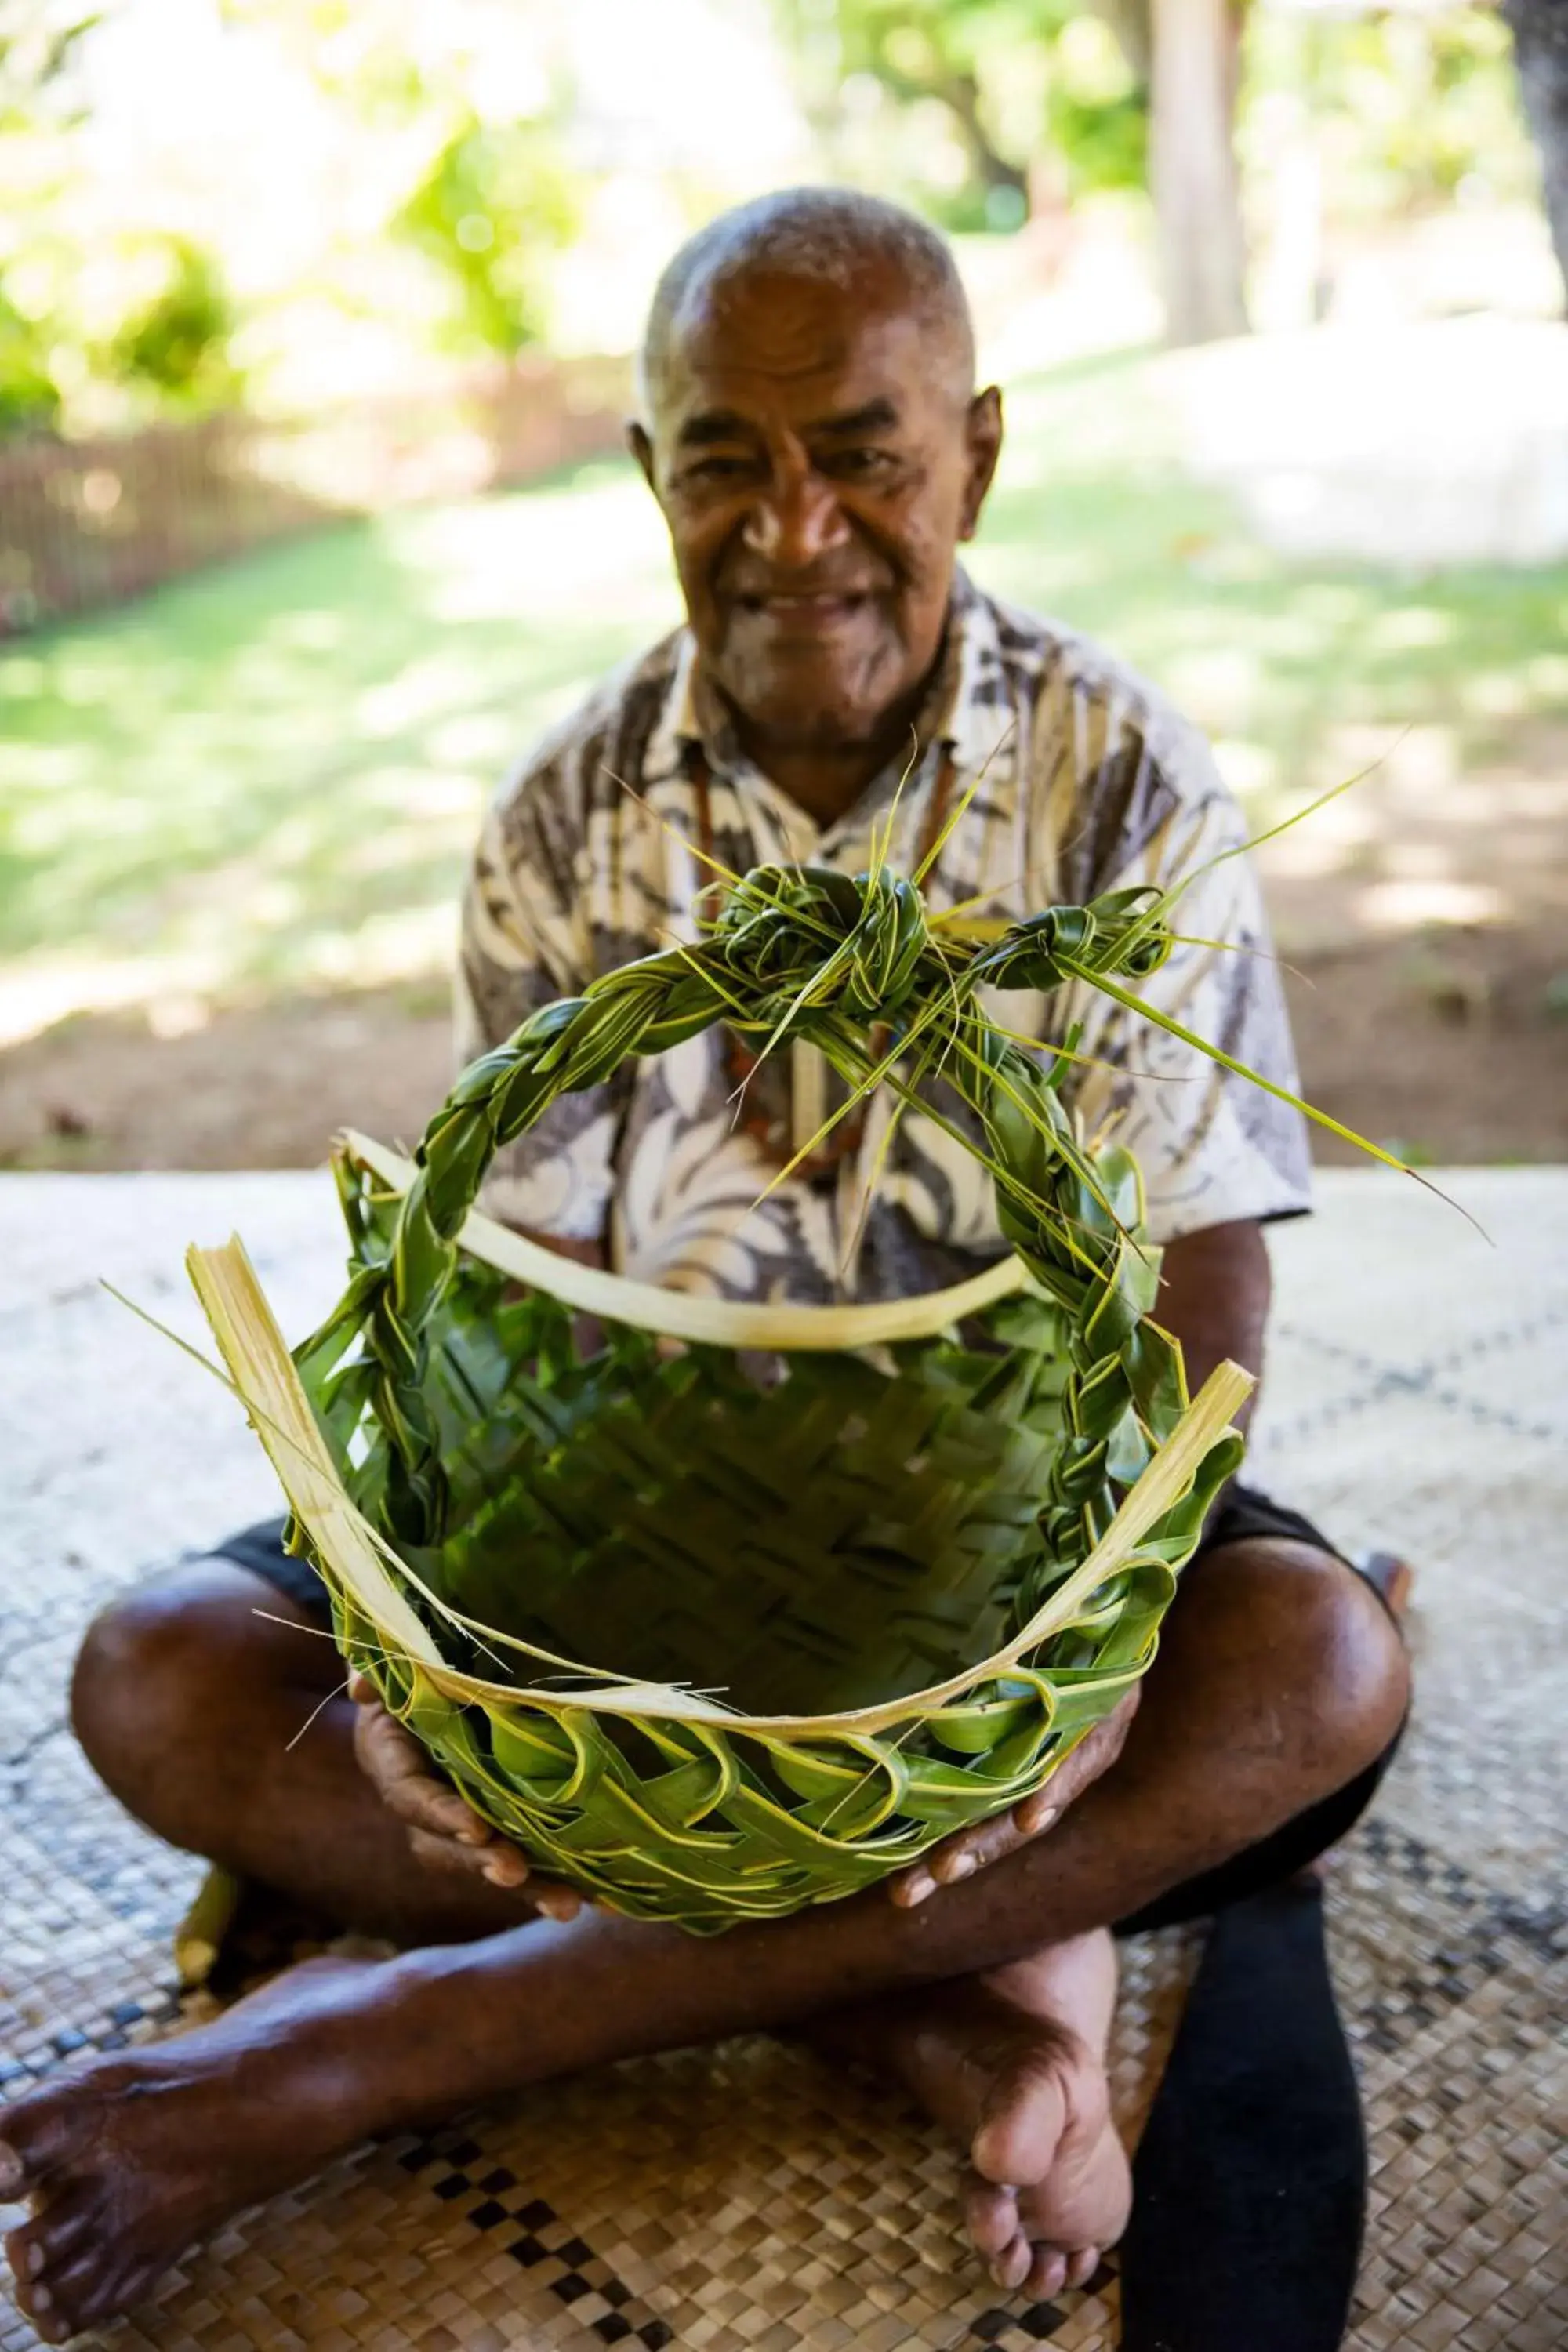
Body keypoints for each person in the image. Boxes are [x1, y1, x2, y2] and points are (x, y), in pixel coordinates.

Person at [0, 188, 1410, 2345]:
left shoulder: (1126, 781)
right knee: (161, 1673)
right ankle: (936, 2006)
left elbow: (1207, 1285)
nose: (798, 528)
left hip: (1005, 1550)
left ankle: (394, 2033)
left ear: (982, 457)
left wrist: (1098, 1643)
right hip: (631, 1537)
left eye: (865, 451)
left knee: (1316, 1670)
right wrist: (424, 1660)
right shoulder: (565, 807)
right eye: (724, 461)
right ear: (651, 470)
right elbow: (506, 1330)